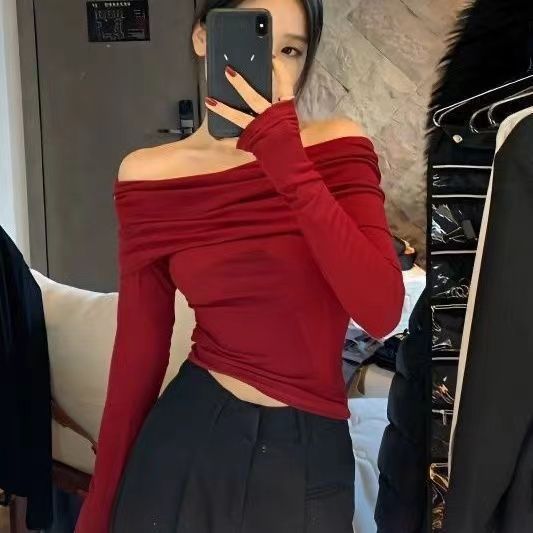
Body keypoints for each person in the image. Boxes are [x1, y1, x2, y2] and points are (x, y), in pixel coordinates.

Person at [74, 0, 405, 531]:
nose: (271, 65)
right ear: (204, 38)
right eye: (258, 38)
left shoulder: (336, 146)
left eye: (291, 50)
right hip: (187, 438)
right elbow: (138, 351)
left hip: (306, 449)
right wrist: (97, 510)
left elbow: (382, 309)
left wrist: (286, 160)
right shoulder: (148, 176)